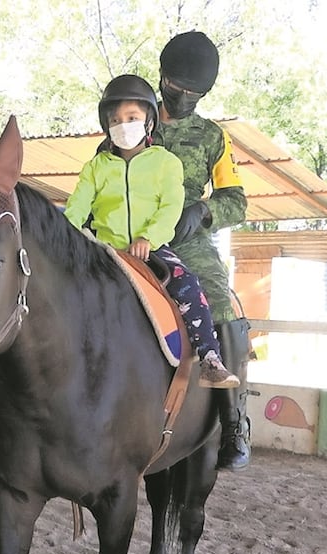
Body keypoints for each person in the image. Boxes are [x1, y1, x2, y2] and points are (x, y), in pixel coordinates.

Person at [64, 74, 240, 390]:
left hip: (153, 247)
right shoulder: (97, 166)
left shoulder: (168, 162)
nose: (123, 125)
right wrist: (63, 235)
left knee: (189, 286)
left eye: (132, 118)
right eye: (115, 120)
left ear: (148, 122)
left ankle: (211, 360)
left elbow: (170, 206)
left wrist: (150, 238)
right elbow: (77, 206)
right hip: (106, 251)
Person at [154, 31, 252, 470]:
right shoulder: (134, 117)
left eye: (194, 95)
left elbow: (237, 200)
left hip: (187, 238)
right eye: (176, 89)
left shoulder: (213, 137)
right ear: (162, 78)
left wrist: (204, 211)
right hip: (129, 230)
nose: (183, 100)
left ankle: (233, 422)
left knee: (219, 299)